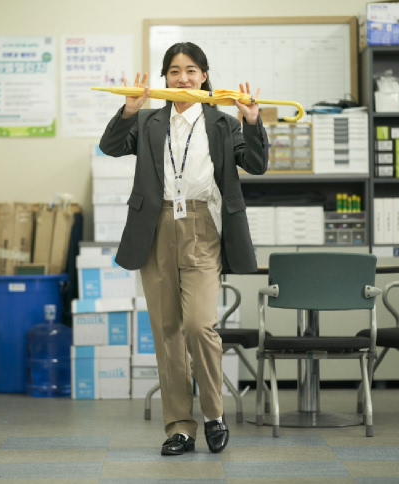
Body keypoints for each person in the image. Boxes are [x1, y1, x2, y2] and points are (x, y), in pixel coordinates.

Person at [99, 42, 268, 456]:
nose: (183, 78)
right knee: (167, 331)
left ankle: (213, 415)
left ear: (204, 76)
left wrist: (251, 121)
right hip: (155, 227)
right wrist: (128, 111)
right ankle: (179, 427)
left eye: (191, 70)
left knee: (198, 325)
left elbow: (256, 164)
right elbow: (111, 146)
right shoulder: (149, 120)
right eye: (174, 71)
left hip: (202, 226)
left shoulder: (223, 122)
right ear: (165, 78)